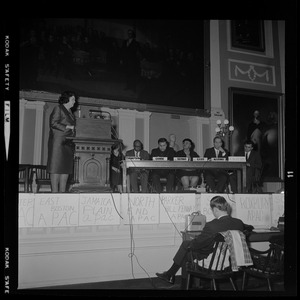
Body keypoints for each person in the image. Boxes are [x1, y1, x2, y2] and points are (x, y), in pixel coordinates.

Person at [156, 195, 252, 288]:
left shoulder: (211, 225)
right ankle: (170, 275)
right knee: (186, 247)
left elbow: (197, 245)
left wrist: (192, 242)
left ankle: (177, 280)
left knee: (186, 250)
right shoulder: (239, 223)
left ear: (215, 209)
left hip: (213, 260)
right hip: (231, 261)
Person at [46, 91, 78, 193]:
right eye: (73, 99)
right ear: (67, 99)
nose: (75, 101)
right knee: (56, 168)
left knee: (65, 168)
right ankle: (54, 195)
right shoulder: (58, 108)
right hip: (58, 143)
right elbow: (53, 123)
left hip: (68, 144)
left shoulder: (71, 113)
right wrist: (68, 127)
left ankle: (63, 195)